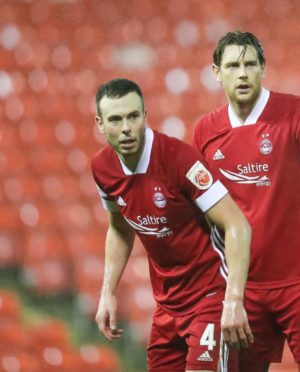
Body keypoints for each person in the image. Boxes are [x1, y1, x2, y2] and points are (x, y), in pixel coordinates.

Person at [193, 31, 300, 371]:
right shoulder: (205, 132)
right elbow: (201, 215)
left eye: (251, 64)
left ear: (263, 68)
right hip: (244, 285)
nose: (243, 73)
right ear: (216, 72)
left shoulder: (298, 113)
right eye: (233, 65)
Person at [91, 78, 253, 372]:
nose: (126, 127)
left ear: (145, 116)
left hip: (210, 297)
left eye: (133, 116)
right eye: (115, 119)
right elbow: (119, 227)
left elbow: (237, 224)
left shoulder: (180, 159)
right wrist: (107, 292)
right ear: (100, 124)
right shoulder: (102, 169)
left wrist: (234, 299)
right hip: (167, 306)